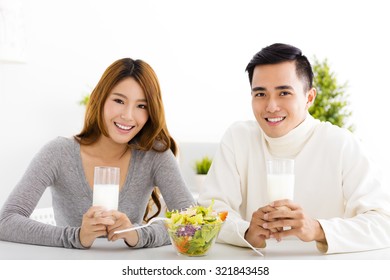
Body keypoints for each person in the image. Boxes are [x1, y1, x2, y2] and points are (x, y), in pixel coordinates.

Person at [198, 43, 390, 254]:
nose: (271, 106)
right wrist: (245, 232)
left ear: (309, 97)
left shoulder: (341, 143)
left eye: (284, 93)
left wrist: (317, 229)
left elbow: (383, 222)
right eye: (260, 94)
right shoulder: (239, 138)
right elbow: (211, 210)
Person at [0, 58, 195, 249]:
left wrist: (138, 234)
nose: (127, 115)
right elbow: (6, 221)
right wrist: (75, 237)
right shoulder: (58, 153)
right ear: (100, 99)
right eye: (119, 100)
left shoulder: (154, 156)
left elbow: (194, 223)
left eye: (141, 106)